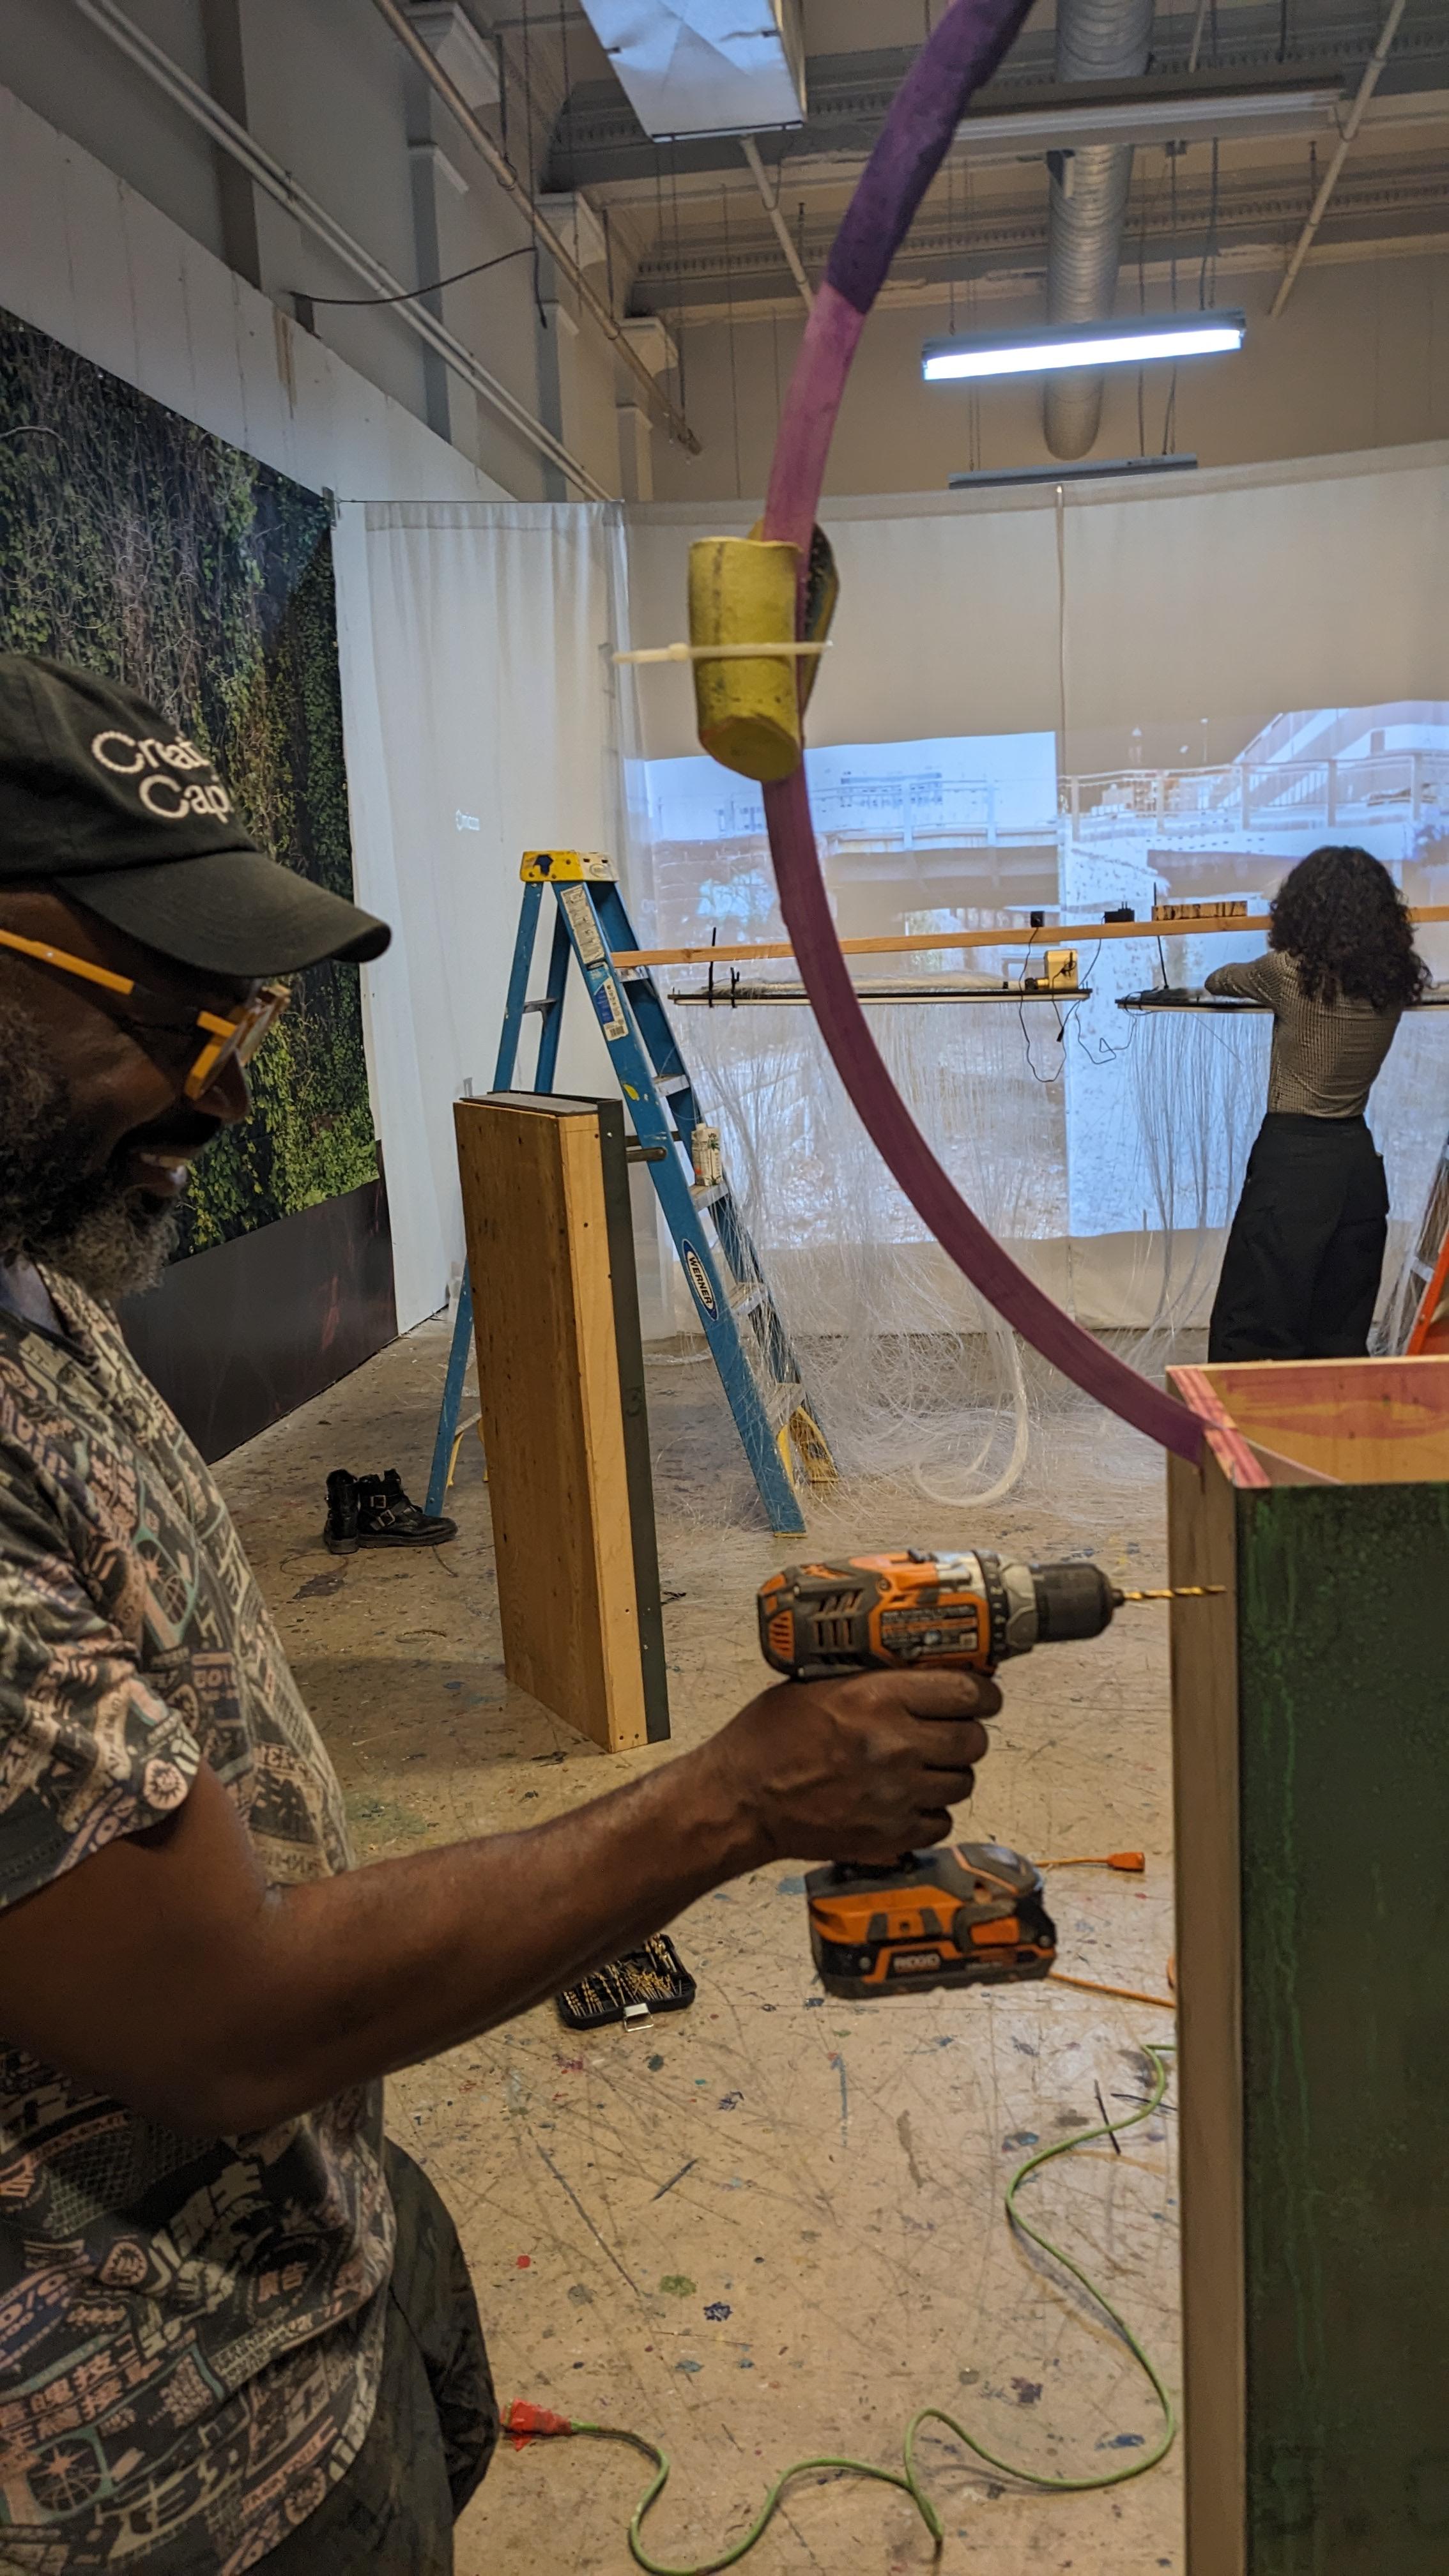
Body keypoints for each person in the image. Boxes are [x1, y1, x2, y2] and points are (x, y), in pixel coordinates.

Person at [0, 656, 997, 2573]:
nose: (222, 1088)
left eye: (249, 1014)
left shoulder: (38, 1267)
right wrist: (739, 1802)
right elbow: (221, 2017)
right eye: (174, 1015)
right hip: (159, 2480)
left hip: (307, 2250)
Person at [1204, 843, 1426, 1363]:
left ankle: (1247, 1444)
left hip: (1293, 1162)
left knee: (1254, 1328)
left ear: (1303, 906)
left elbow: (1221, 980)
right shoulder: (1393, 980)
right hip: (1358, 1165)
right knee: (1338, 1336)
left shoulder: (1287, 972)